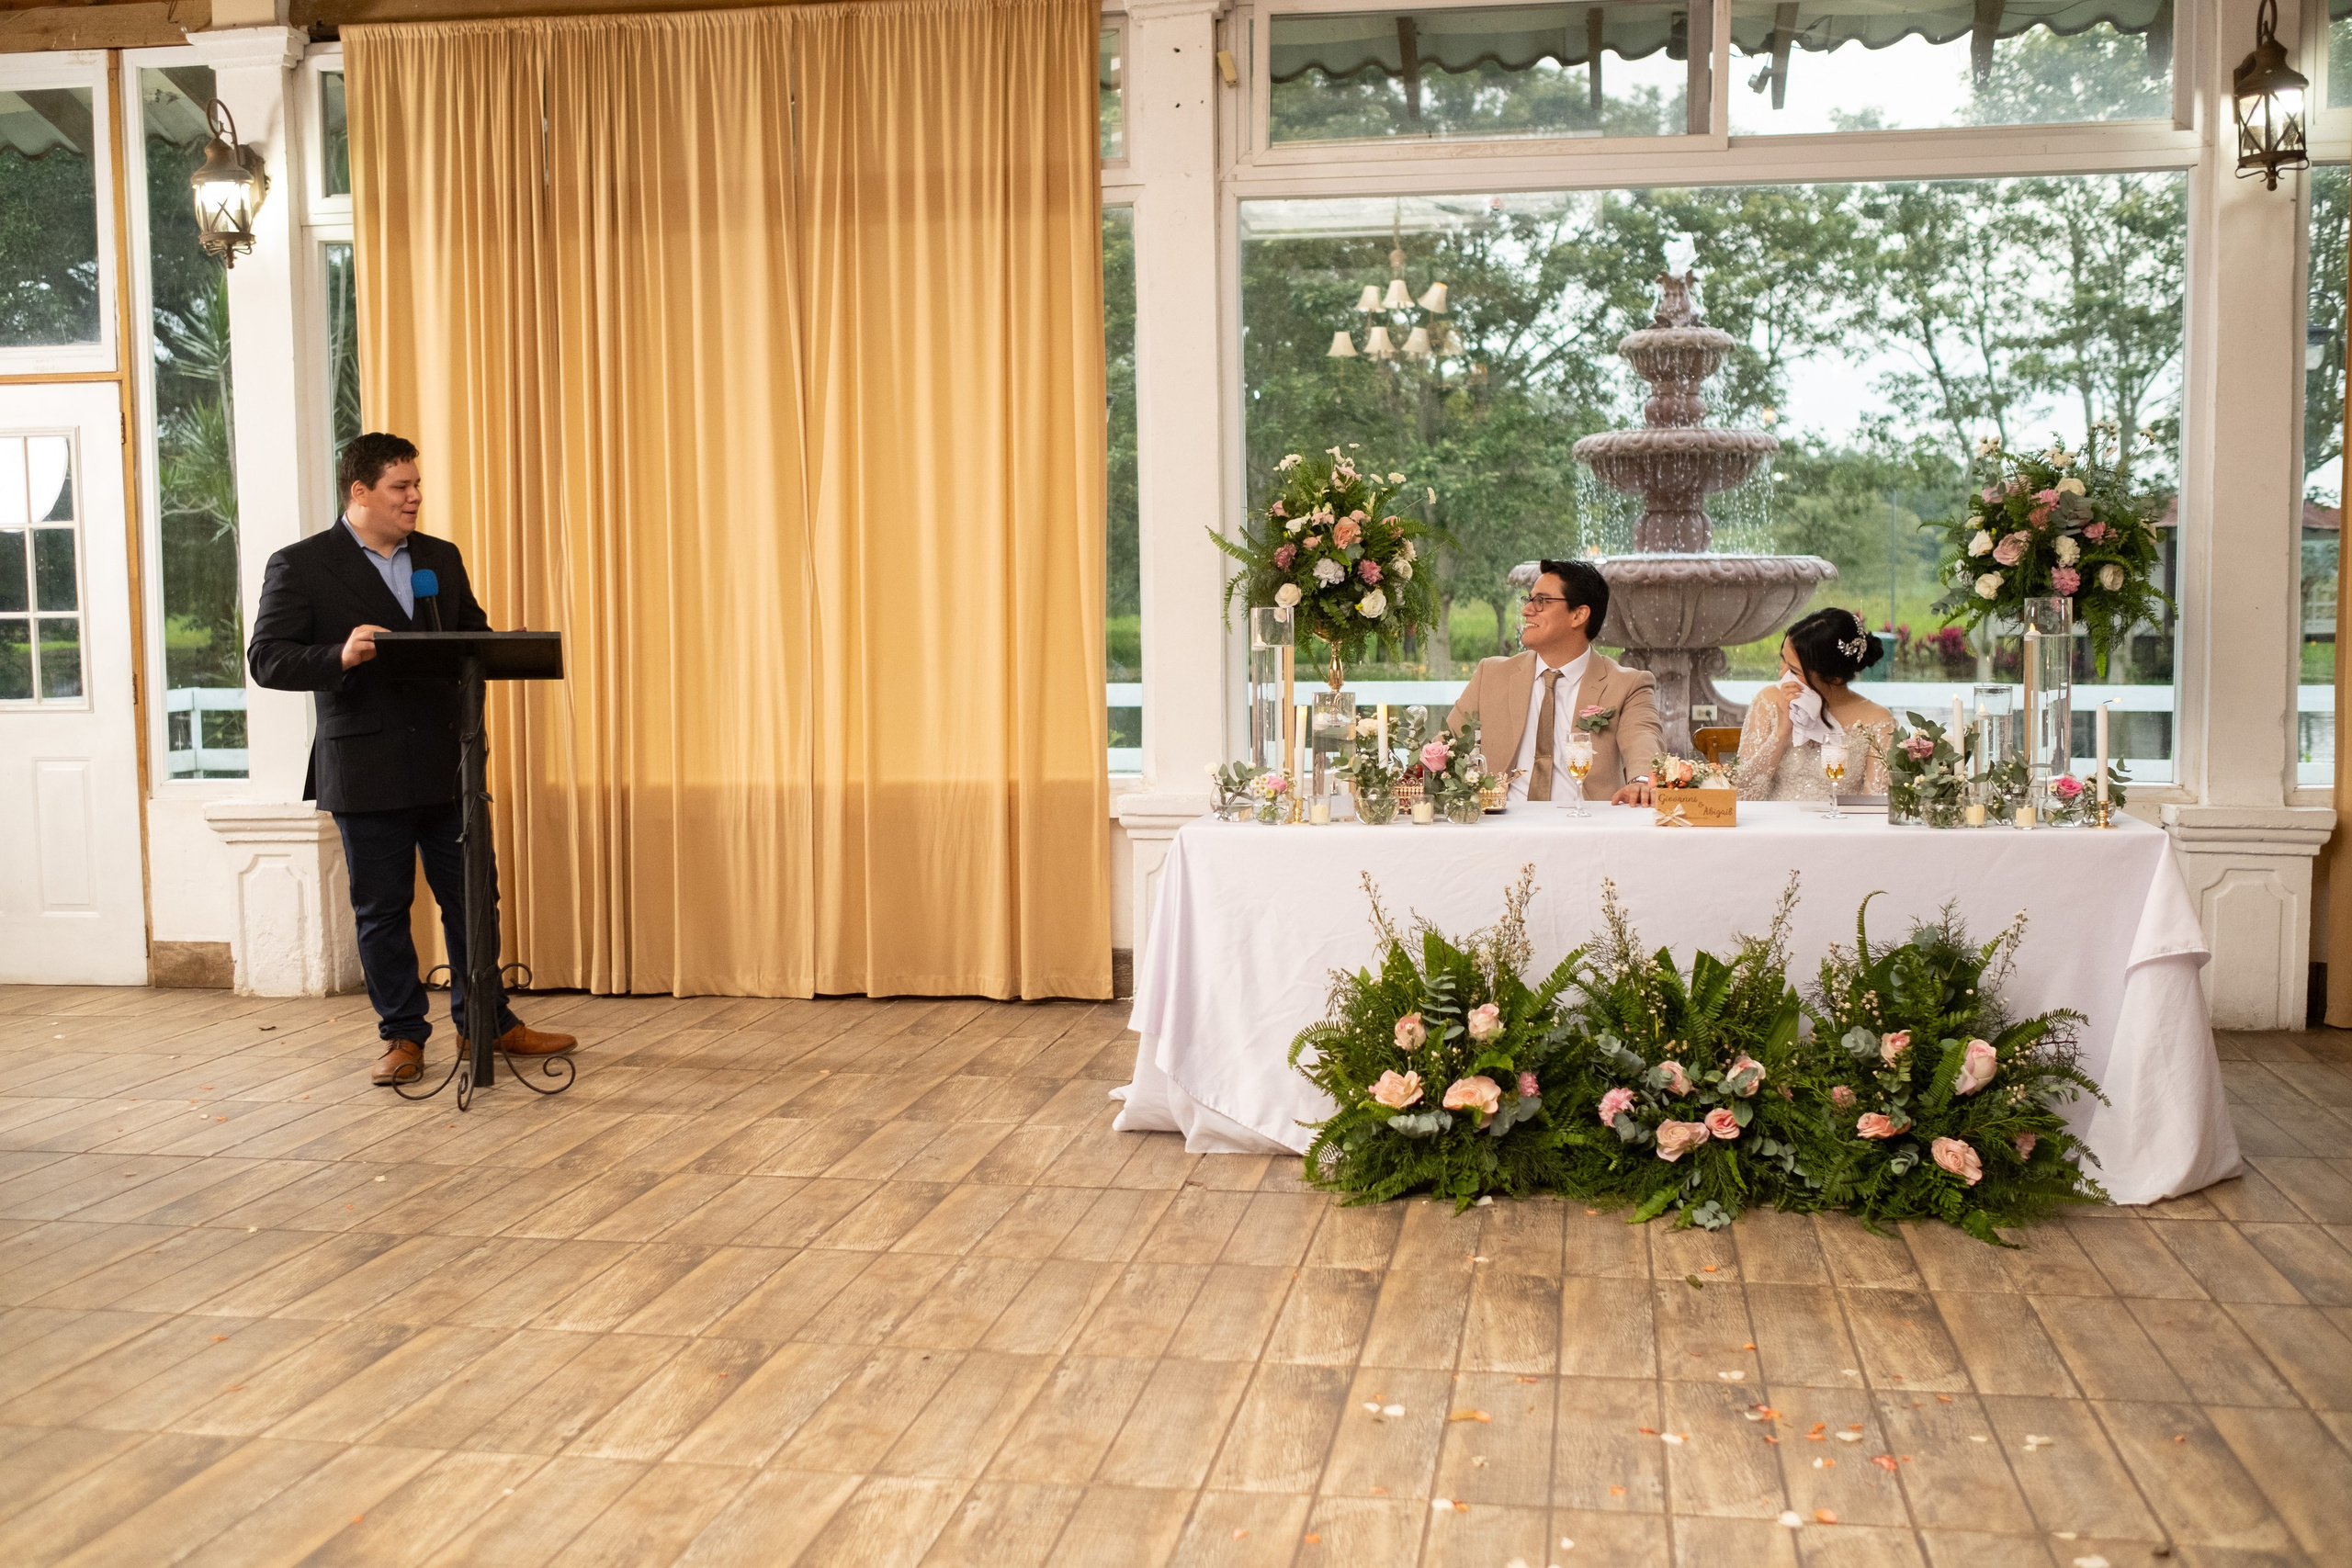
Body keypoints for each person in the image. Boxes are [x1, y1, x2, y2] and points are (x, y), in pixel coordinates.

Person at [247, 432, 574, 1087]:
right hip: (365, 768)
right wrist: (339, 653)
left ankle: (486, 1018)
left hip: (446, 762)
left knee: (475, 898)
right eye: (401, 486)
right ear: (359, 491)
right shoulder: (301, 564)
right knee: (383, 909)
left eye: (417, 485)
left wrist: (502, 644)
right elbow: (267, 658)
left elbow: (467, 638)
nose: (415, 497)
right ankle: (402, 1035)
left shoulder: (439, 559)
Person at [1446, 558, 1663, 807]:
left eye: (1541, 601)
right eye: (1528, 600)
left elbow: (1643, 738)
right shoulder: (1491, 675)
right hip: (1500, 825)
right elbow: (1443, 747)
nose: (1527, 610)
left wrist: (1642, 779)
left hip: (1586, 827)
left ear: (1579, 615)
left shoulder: (1628, 685)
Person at [1736, 606, 1895, 800]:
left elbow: (1876, 805)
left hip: (1842, 828)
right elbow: (1742, 796)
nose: (1781, 674)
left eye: (1794, 670)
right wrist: (1782, 732)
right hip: (1773, 827)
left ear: (1834, 678)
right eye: (1782, 660)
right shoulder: (1768, 701)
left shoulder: (1878, 721)